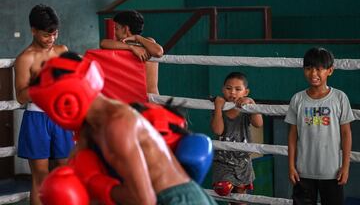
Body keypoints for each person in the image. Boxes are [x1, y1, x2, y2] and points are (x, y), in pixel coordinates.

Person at [29, 52, 217, 205]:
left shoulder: (118, 124)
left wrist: (96, 184)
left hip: (177, 199)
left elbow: (144, 201)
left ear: (66, 101)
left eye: (49, 109)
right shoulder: (90, 129)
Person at [14, 4, 74, 205]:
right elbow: (21, 97)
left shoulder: (62, 50)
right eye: (46, 35)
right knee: (41, 175)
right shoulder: (25, 58)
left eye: (54, 34)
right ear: (33, 30)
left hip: (61, 116)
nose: (51, 39)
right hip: (37, 118)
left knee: (66, 170)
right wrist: (43, 83)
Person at [285, 47, 354, 205]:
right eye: (308, 68)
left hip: (332, 172)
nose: (313, 73)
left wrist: (345, 167)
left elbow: (346, 134)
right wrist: (291, 166)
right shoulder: (297, 99)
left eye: (318, 69)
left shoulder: (339, 98)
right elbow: (292, 135)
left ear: (330, 71)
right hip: (303, 172)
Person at [210, 72, 263, 203]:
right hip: (223, 160)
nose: (232, 92)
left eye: (238, 89)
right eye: (228, 88)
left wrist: (251, 103)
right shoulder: (220, 107)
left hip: (242, 161)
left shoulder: (246, 108)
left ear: (246, 92)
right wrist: (218, 107)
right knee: (223, 189)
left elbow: (258, 123)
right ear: (223, 89)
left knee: (241, 198)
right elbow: (218, 130)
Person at [100, 10, 163, 94]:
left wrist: (137, 38)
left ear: (126, 29)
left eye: (116, 28)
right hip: (141, 98)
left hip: (150, 98)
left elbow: (158, 52)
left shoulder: (148, 41)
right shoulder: (122, 45)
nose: (115, 32)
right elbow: (103, 43)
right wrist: (131, 47)